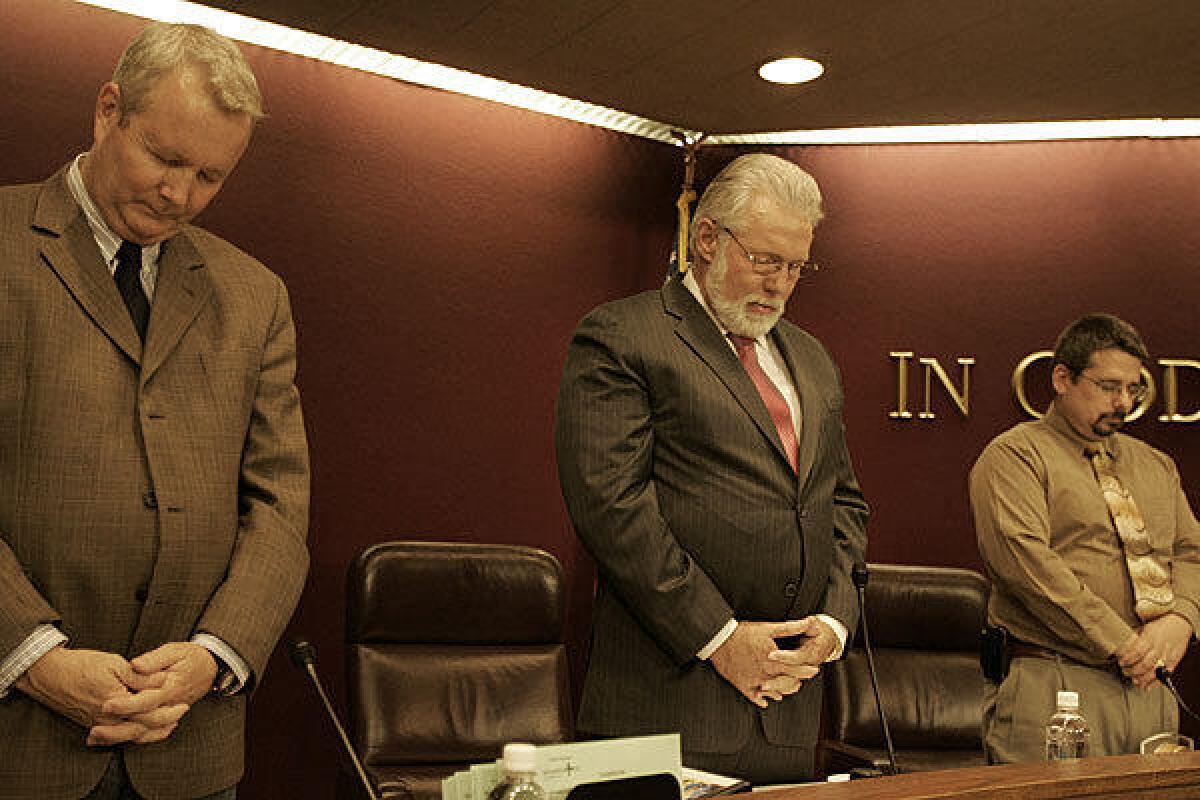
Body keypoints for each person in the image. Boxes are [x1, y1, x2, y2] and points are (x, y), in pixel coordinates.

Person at [0, 23, 309, 799]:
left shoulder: (255, 296)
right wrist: (32, 655)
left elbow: (279, 503)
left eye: (210, 176)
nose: (181, 195)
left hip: (189, 747)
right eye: (165, 159)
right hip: (17, 739)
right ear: (108, 111)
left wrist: (214, 653)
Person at [554, 153, 869, 783]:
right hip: (667, 701)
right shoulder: (624, 335)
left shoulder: (811, 358)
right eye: (764, 259)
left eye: (795, 267)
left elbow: (844, 503)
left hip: (787, 706)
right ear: (705, 238)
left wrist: (832, 626)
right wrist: (721, 638)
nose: (779, 283)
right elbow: (611, 505)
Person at [971, 313, 1200, 763]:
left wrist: (1183, 619)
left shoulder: (1156, 465)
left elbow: (1191, 552)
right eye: (1108, 387)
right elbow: (1027, 566)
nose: (1123, 402)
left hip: (1149, 689)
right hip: (1055, 682)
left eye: (1134, 389)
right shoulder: (1015, 455)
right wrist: (1122, 641)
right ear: (1062, 378)